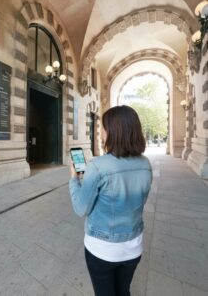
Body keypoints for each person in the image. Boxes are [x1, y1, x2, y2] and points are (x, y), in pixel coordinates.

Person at [69, 105, 152, 296]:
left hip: (102, 249)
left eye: (103, 127)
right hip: (133, 247)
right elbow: (140, 200)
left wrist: (74, 180)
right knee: (124, 291)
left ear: (114, 131)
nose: (101, 131)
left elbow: (81, 208)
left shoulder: (98, 166)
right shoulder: (145, 164)